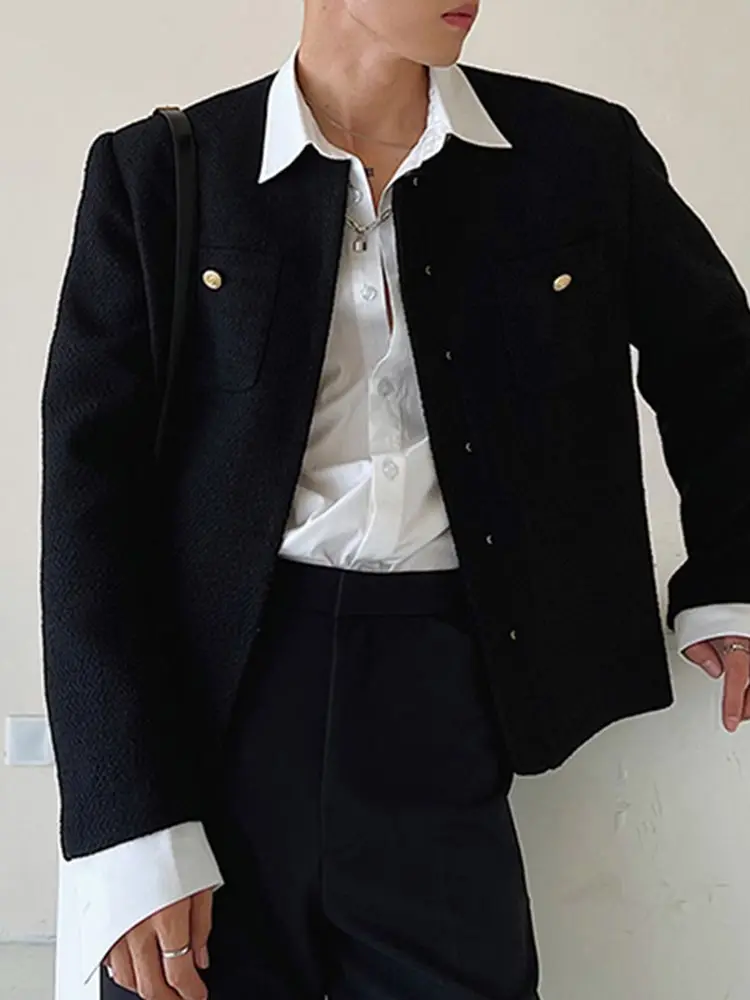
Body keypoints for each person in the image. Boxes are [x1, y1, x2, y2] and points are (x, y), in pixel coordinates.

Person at [41, 1, 750, 999]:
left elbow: (718, 360)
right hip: (214, 719)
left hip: (449, 692)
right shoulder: (159, 173)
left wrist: (730, 577)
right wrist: (126, 822)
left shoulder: (580, 154)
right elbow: (89, 508)